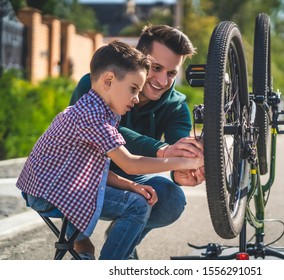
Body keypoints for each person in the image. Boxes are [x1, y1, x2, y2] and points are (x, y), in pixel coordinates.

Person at [16, 41, 203, 260]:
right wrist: (183, 162)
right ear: (109, 81)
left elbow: (97, 170)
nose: (136, 97)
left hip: (49, 187)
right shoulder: (94, 117)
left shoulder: (93, 109)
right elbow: (130, 163)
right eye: (133, 89)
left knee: (137, 196)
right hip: (51, 192)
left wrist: (131, 184)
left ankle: (89, 255)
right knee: (137, 206)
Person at [70, 24, 205, 259]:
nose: (163, 81)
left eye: (172, 73)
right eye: (156, 68)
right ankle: (79, 239)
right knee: (70, 175)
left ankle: (122, 241)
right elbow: (105, 130)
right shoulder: (97, 83)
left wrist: (182, 169)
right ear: (140, 58)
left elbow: (177, 151)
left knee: (173, 198)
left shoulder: (176, 106)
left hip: (132, 179)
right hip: (83, 176)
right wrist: (163, 151)